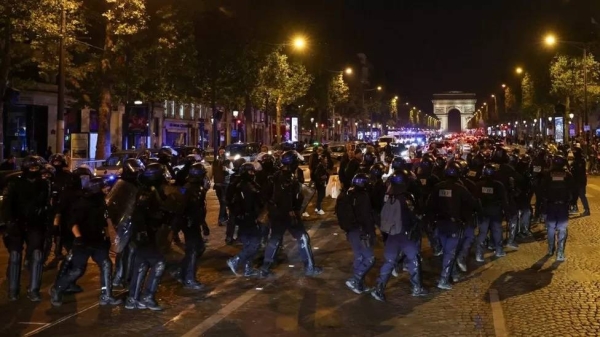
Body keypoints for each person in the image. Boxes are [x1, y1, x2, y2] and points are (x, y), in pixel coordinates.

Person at [49, 175, 122, 307]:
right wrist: (79, 238)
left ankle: (106, 296)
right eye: (104, 187)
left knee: (106, 264)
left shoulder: (101, 202)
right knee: (77, 269)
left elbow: (104, 221)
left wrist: (108, 237)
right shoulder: (83, 204)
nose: (107, 189)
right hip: (84, 241)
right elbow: (73, 223)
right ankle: (57, 289)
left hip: (98, 241)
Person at [259, 151, 322, 277]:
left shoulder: (279, 176)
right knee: (302, 238)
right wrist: (292, 211)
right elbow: (285, 198)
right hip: (286, 215)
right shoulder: (284, 178)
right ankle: (309, 267)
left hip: (279, 215)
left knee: (275, 240)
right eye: (296, 162)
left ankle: (265, 269)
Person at [371, 172, 427, 301]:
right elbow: (413, 216)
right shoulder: (405, 197)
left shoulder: (387, 195)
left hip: (391, 233)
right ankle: (417, 288)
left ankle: (378, 289)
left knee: (389, 261)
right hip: (405, 234)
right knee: (414, 259)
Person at [2, 155, 50, 301]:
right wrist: (9, 222)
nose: (34, 170)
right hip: (17, 223)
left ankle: (34, 290)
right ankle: (13, 290)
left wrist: (48, 224)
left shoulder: (44, 184)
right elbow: (7, 204)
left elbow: (47, 205)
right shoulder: (15, 183)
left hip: (36, 224)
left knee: (37, 255)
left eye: (36, 168)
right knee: (15, 256)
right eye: (31, 168)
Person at [426, 161, 478, 290]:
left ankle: (453, 273)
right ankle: (443, 280)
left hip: (440, 224)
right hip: (454, 225)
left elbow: (429, 206)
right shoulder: (460, 188)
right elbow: (473, 203)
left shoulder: (438, 187)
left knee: (447, 251)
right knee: (450, 252)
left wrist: (430, 222)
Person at [124, 163, 167, 310]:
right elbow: (139, 215)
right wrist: (142, 233)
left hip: (147, 234)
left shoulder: (152, 190)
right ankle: (147, 297)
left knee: (142, 265)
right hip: (144, 235)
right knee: (159, 263)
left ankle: (133, 298)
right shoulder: (146, 193)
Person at [175, 162, 209, 289]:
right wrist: (181, 224)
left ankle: (182, 271)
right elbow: (180, 208)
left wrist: (203, 223)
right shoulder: (187, 188)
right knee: (193, 249)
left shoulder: (198, 189)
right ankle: (189, 278)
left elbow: (200, 208)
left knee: (199, 248)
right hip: (189, 224)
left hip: (195, 222)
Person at [339, 173, 375, 294]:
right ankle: (355, 280)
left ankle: (359, 284)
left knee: (359, 257)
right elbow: (366, 217)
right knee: (369, 258)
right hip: (362, 232)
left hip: (351, 231)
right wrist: (371, 233)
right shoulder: (363, 196)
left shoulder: (346, 194)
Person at [226, 163, 263, 277]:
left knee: (248, 244)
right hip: (248, 218)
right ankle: (236, 260)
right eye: (251, 172)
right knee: (255, 243)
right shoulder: (244, 185)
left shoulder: (239, 183)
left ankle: (248, 268)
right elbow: (251, 202)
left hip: (242, 218)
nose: (253, 174)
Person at [475, 164, 511, 262]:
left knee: (482, 233)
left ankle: (479, 254)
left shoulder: (479, 184)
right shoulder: (498, 185)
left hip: (483, 212)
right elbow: (504, 200)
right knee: (497, 231)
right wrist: (507, 213)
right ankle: (499, 250)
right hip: (495, 212)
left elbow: (475, 199)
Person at [541, 155, 574, 261]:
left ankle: (550, 249)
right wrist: (571, 202)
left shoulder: (548, 175)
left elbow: (542, 190)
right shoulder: (567, 175)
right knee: (562, 229)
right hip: (563, 206)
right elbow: (573, 190)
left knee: (550, 228)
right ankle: (560, 253)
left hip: (550, 205)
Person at [212, 147, 231, 226]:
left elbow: (230, 171)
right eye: (220, 152)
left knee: (223, 202)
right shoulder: (216, 162)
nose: (222, 153)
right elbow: (213, 172)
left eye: (223, 152)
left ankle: (223, 218)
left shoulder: (227, 161)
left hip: (224, 184)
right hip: (219, 184)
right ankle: (223, 217)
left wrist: (227, 169)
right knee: (222, 202)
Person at [571, 147, 590, 216]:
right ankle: (574, 207)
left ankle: (587, 209)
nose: (574, 153)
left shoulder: (580, 161)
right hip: (577, 181)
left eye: (575, 152)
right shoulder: (577, 160)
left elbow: (579, 171)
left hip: (580, 181)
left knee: (582, 195)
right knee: (574, 195)